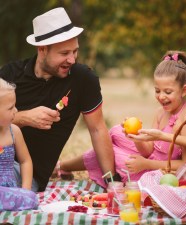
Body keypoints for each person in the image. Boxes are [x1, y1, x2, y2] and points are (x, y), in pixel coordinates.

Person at [0, 7, 118, 192]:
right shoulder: (10, 74)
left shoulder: (83, 79)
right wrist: (24, 118)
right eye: (64, 53)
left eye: (75, 51)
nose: (72, 59)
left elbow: (97, 129)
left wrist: (112, 182)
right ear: (42, 49)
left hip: (25, 175)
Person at [58, 50, 186, 188]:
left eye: (167, 92)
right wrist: (136, 138)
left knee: (110, 153)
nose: (161, 96)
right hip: (148, 160)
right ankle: (62, 166)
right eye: (157, 90)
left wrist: (146, 164)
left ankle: (62, 166)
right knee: (116, 132)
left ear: (184, 90)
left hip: (160, 171)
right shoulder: (160, 112)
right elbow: (148, 151)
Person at [0, 78, 37, 211]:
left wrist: (25, 191)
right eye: (10, 108)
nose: (16, 110)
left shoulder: (14, 131)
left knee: (32, 198)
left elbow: (25, 161)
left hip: (11, 192)